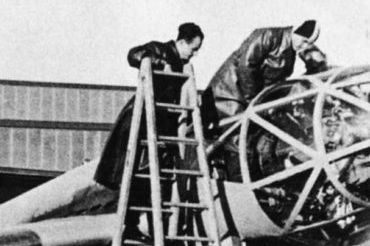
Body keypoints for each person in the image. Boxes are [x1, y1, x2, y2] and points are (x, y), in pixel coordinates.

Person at [94, 22, 205, 190]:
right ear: (182, 43)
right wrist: (159, 62)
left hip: (160, 117)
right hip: (142, 113)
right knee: (128, 167)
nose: (194, 54)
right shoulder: (160, 49)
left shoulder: (182, 65)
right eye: (193, 49)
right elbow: (132, 55)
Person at [207, 19, 329, 121]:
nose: (305, 46)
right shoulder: (268, 35)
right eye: (304, 41)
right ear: (295, 32)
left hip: (250, 97)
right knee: (237, 135)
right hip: (230, 92)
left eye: (309, 44)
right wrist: (255, 101)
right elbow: (246, 66)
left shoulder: (292, 52)